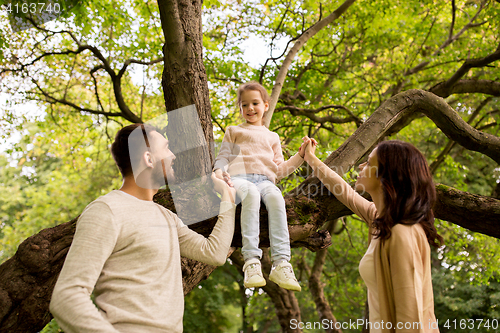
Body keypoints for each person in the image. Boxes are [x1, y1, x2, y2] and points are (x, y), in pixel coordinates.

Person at [50, 123, 236, 333]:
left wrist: (227, 196)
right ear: (149, 159)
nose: (173, 155)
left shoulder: (167, 218)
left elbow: (216, 253)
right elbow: (67, 296)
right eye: (166, 148)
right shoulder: (107, 210)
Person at [303, 139, 442, 333]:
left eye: (369, 162)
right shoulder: (380, 219)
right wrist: (311, 158)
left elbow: (411, 320)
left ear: (387, 175)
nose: (361, 165)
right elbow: (344, 192)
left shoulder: (402, 233)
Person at [213, 81, 308, 291]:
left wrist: (301, 155)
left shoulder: (272, 137)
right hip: (239, 179)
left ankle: (281, 263)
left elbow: (280, 170)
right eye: (244, 105)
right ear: (240, 108)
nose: (250, 108)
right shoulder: (234, 130)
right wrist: (220, 172)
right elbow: (223, 157)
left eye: (255, 103)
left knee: (276, 199)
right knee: (251, 194)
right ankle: (251, 261)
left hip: (265, 180)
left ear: (266, 105)